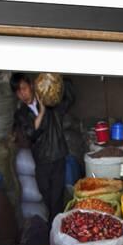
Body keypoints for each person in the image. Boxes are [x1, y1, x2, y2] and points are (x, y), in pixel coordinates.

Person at [11, 73, 75, 222]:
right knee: (45, 194)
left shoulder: (52, 104)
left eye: (24, 88)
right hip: (41, 161)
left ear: (31, 85)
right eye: (18, 91)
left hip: (57, 156)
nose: (22, 93)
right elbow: (30, 134)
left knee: (56, 198)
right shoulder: (21, 114)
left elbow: (70, 97)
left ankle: (54, 231)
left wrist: (54, 80)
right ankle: (55, 226)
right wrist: (41, 113)